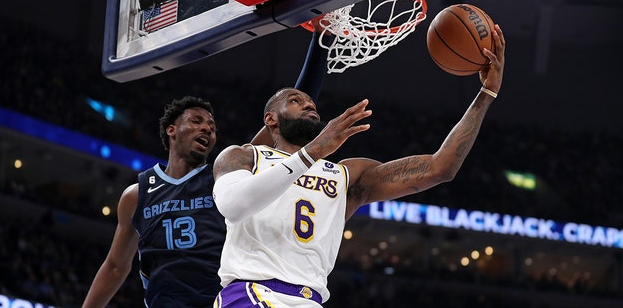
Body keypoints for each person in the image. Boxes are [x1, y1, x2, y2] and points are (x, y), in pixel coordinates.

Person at [211, 24, 506, 307]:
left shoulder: (347, 176)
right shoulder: (244, 158)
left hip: (308, 299)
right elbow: (233, 206)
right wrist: (313, 152)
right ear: (271, 119)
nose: (309, 104)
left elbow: (440, 167)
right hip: (252, 292)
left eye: (311, 103)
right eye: (294, 101)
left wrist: (487, 94)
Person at [82, 21, 334, 308]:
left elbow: (287, 113)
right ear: (171, 130)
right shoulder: (137, 194)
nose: (208, 130)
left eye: (212, 126)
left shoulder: (226, 180)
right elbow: (116, 266)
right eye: (197, 122)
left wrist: (320, 40)